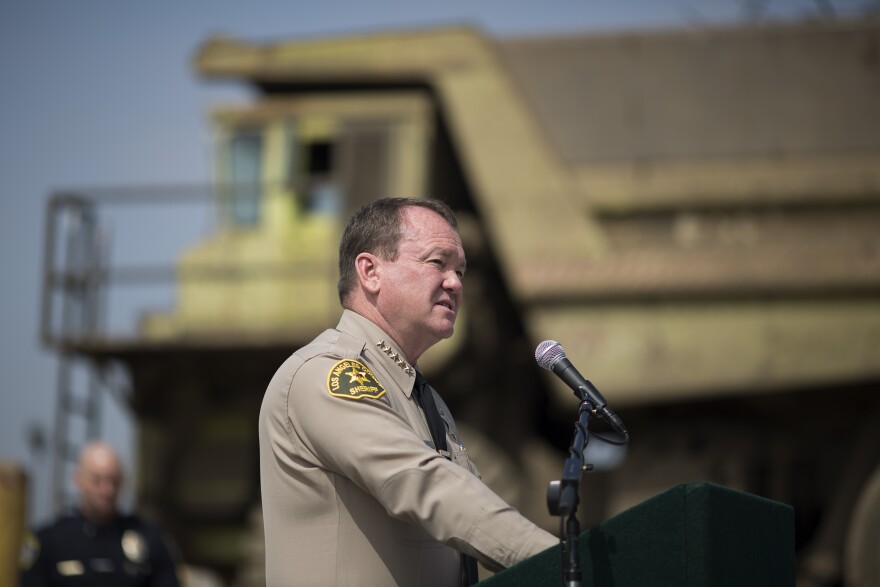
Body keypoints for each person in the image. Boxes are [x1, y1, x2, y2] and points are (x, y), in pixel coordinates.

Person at [259, 197, 557, 586]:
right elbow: (422, 482)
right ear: (370, 272)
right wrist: (559, 563)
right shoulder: (329, 374)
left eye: (460, 271)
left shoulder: (423, 398)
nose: (454, 282)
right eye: (437, 262)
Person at [19, 441, 180, 586]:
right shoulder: (49, 542)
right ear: (78, 480)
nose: (107, 490)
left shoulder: (151, 540)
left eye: (113, 481)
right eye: (97, 481)